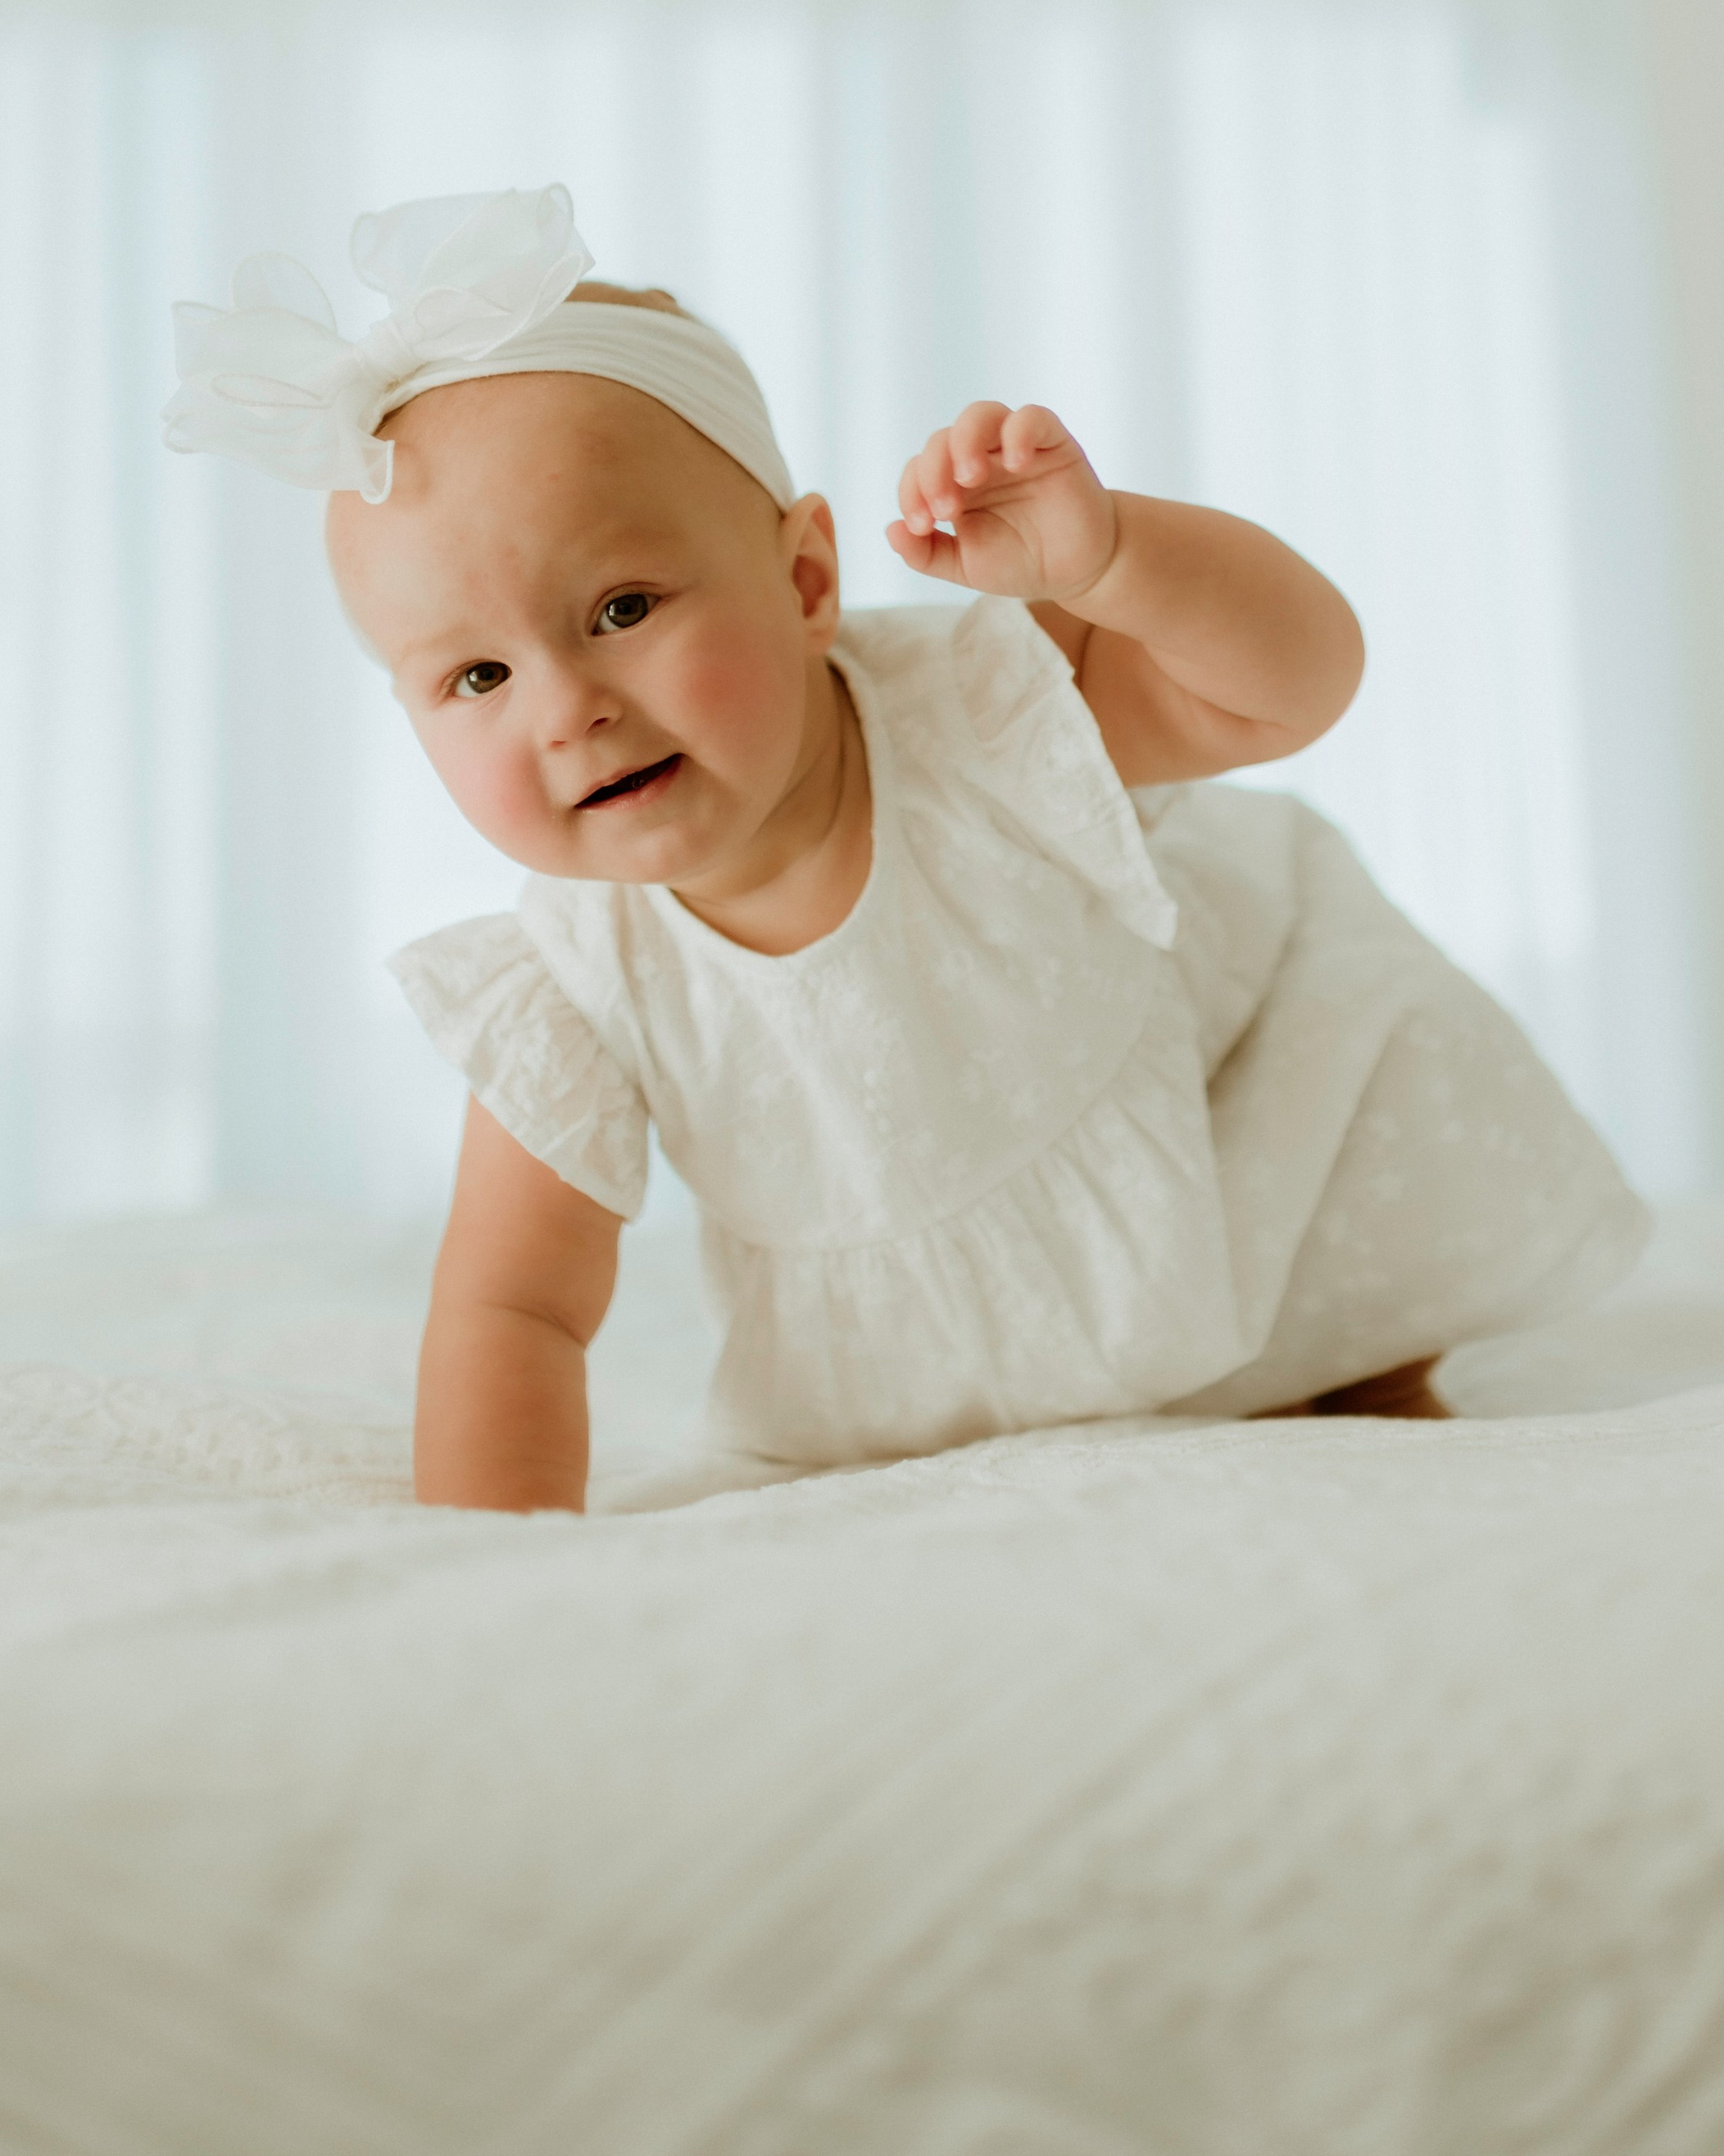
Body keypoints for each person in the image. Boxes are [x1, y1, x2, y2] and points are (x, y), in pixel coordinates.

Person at [166, 184, 1649, 1513]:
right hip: (909, 1360)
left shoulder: (982, 718)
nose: (570, 710)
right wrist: (491, 1575)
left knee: (1340, 1246)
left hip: (1220, 1120)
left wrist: (1111, 556)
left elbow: (1296, 681)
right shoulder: (572, 975)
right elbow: (513, 1312)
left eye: (622, 607)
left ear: (807, 574)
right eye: (475, 678)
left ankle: (1339, 1370)